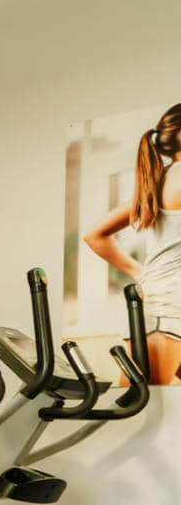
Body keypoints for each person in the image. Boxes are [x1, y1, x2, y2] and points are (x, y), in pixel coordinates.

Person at [84, 104, 181, 384]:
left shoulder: (160, 180)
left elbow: (94, 234)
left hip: (155, 303)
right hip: (172, 309)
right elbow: (94, 236)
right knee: (158, 402)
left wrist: (140, 273)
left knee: (144, 400)